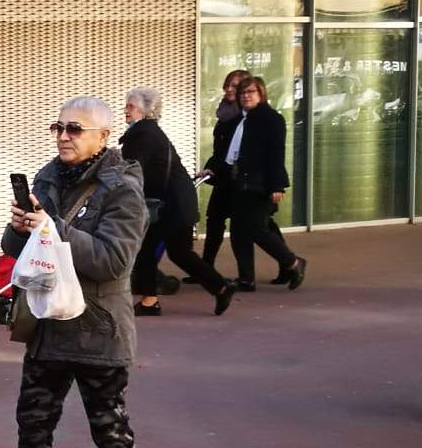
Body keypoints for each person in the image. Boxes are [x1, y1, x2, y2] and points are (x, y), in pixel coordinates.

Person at [0, 95, 149, 448]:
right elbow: (21, 250)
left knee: (109, 433)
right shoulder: (48, 177)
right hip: (47, 325)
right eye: (58, 127)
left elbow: (114, 261)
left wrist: (54, 229)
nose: (63, 136)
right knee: (33, 426)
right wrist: (20, 228)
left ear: (104, 137)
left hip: (98, 331)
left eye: (75, 129)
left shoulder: (122, 188)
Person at [120, 86, 233, 317]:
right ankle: (219, 288)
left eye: (131, 106)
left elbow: (132, 169)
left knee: (155, 251)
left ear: (145, 110)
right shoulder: (148, 132)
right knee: (172, 252)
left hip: (169, 205)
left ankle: (217, 287)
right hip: (175, 202)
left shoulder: (144, 134)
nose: (126, 110)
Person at [206, 75, 306, 293]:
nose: (246, 96)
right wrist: (213, 169)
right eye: (243, 93)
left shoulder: (271, 119)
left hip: (259, 184)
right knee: (239, 233)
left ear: (261, 94)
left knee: (257, 229)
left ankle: (293, 262)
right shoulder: (241, 120)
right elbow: (229, 153)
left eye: (251, 92)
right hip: (238, 183)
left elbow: (275, 154)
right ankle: (246, 279)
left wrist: (277, 186)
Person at [196, 69, 247, 273]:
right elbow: (220, 149)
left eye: (234, 86)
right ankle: (206, 267)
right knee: (214, 220)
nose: (228, 89)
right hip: (224, 176)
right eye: (227, 84)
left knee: (259, 226)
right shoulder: (225, 114)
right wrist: (211, 168)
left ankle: (288, 263)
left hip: (239, 178)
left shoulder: (245, 117)